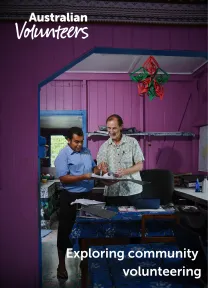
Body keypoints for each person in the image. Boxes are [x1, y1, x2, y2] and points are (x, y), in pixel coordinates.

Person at [54, 127, 102, 280]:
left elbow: (92, 168)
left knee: (87, 228)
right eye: (76, 142)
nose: (79, 145)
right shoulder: (63, 155)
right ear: (68, 140)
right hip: (70, 197)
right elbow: (63, 178)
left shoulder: (87, 151)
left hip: (87, 195)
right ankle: (61, 265)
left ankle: (84, 261)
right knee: (65, 230)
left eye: (81, 142)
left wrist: (98, 169)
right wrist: (83, 176)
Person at [97, 114, 145, 206]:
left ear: (121, 127)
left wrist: (126, 171)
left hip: (132, 192)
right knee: (113, 219)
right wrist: (103, 172)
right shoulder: (104, 147)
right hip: (112, 193)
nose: (111, 131)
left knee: (134, 219)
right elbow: (102, 170)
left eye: (114, 128)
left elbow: (140, 165)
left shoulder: (132, 142)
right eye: (109, 128)